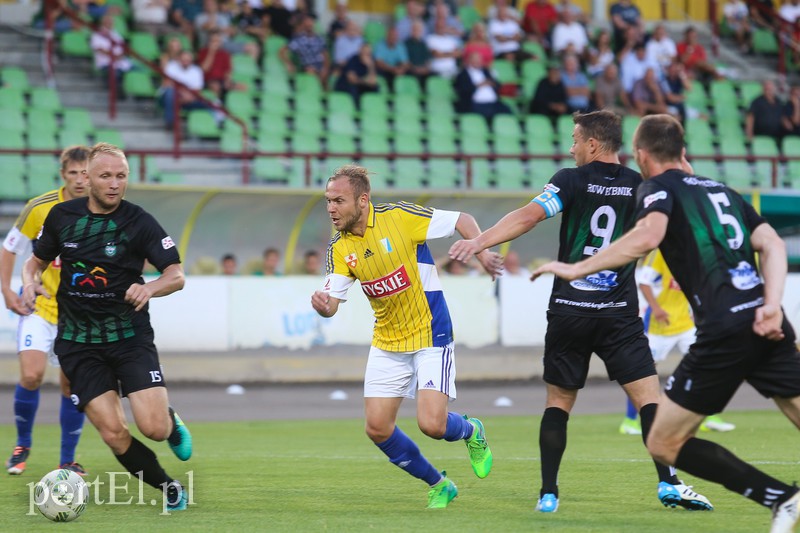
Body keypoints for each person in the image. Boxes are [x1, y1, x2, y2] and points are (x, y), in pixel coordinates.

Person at [531, 113, 800, 532]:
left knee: (664, 441)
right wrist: (771, 303)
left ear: (640, 155)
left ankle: (781, 498)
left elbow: (646, 237)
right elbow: (772, 243)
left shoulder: (655, 188)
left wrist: (575, 269)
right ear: (683, 153)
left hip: (724, 330)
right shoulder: (721, 189)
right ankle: (769, 497)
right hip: (769, 320)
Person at [448, 110, 713, 513]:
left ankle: (548, 494)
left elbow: (528, 216)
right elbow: (684, 177)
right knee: (648, 399)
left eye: (575, 139)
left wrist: (480, 242)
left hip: (569, 311)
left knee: (558, 402)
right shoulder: (640, 184)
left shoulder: (569, 181)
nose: (571, 147)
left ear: (592, 144)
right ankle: (668, 483)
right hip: (618, 315)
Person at [310, 164, 500, 508]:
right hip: (388, 341)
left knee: (432, 425)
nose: (331, 208)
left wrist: (482, 252)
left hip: (430, 332)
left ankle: (472, 431)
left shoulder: (399, 217)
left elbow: (463, 219)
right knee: (378, 428)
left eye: (338, 200)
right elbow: (332, 304)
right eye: (327, 201)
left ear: (362, 200)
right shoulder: (339, 248)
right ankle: (440, 484)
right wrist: (323, 305)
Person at [21, 142, 192, 511]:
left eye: (121, 176)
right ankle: (170, 488)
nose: (114, 184)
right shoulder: (61, 217)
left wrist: (148, 287)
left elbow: (176, 274)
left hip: (129, 337)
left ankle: (169, 418)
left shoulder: (139, 221)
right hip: (77, 342)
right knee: (114, 434)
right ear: (87, 178)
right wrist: (29, 281)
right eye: (106, 176)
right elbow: (35, 262)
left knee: (155, 429)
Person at [2, 146, 90, 476]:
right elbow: (9, 249)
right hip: (39, 306)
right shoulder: (38, 207)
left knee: (71, 386)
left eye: (85, 173)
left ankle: (67, 459)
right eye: (73, 173)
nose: (80, 180)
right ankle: (22, 444)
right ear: (62, 174)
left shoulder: (100, 208)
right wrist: (8, 290)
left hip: (78, 314)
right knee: (31, 374)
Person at [619, 249, 736, 435]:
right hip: (660, 325)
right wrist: (656, 309)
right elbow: (644, 283)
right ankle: (629, 421)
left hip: (685, 324)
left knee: (706, 364)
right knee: (642, 372)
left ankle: (709, 416)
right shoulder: (660, 253)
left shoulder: (690, 252)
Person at [454, 51, 512, 121]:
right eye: (476, 60)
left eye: (479, 60)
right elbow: (462, 90)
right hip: (475, 103)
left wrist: (491, 83)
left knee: (507, 111)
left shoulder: (486, 71)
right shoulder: (463, 74)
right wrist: (479, 85)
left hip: (493, 102)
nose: (478, 62)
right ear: (469, 61)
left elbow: (497, 84)